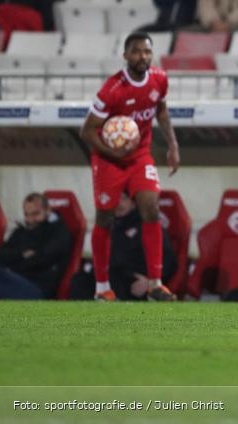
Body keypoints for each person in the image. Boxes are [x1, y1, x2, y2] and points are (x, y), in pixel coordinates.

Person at [79, 31, 180, 302]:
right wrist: (111, 151)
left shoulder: (160, 78)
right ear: (125, 56)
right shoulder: (112, 89)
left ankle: (156, 284)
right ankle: (103, 288)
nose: (142, 57)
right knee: (105, 219)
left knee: (150, 208)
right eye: (136, 52)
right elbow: (87, 131)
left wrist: (172, 145)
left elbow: (161, 109)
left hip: (139, 155)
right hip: (109, 159)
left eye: (147, 51)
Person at [0, 193, 72, 299]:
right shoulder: (21, 230)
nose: (30, 220)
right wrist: (22, 254)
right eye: (27, 215)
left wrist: (12, 262)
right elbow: (1, 255)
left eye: (35, 214)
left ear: (48, 210)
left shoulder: (59, 233)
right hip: (13, 279)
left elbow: (40, 259)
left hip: (36, 287)